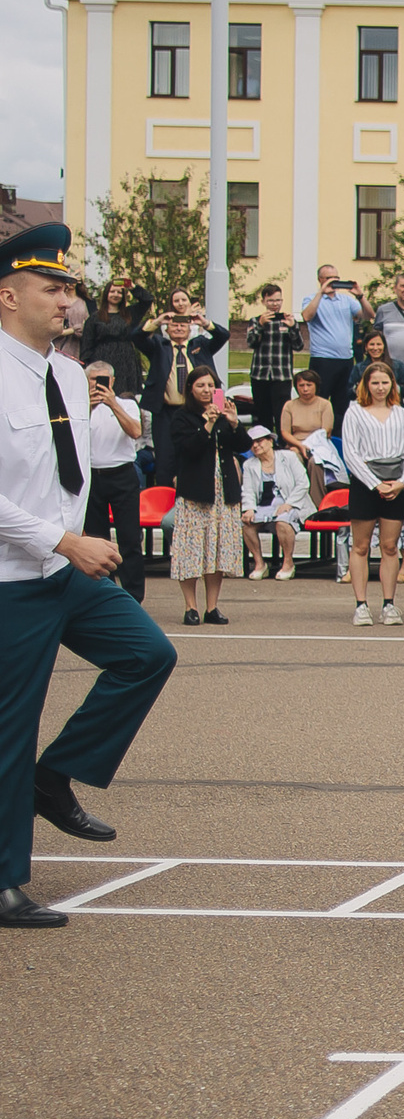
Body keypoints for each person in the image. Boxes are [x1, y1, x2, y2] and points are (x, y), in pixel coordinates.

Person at [0, 225, 178, 928]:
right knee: (11, 730)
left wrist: (72, 540)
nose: (67, 300)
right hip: (13, 580)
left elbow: (73, 469)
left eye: (71, 288)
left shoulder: (72, 374)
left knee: (147, 654)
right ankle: (6, 881)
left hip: (63, 566)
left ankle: (55, 773)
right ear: (8, 295)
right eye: (53, 287)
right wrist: (64, 539)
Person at [167, 367, 247, 624]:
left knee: (218, 552)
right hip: (195, 494)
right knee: (191, 552)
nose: (207, 390)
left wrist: (235, 424)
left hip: (223, 493)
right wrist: (208, 423)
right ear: (190, 388)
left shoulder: (225, 414)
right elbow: (188, 449)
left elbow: (244, 446)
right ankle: (190, 607)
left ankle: (212, 607)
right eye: (201, 385)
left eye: (211, 385)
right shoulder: (182, 417)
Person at [339, 362, 404, 626]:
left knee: (390, 546)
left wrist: (401, 483)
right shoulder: (355, 412)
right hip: (365, 483)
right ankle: (361, 605)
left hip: (396, 484)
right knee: (360, 546)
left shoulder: (400, 413)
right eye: (375, 383)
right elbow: (350, 453)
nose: (380, 388)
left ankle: (389, 604)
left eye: (385, 382)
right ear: (365, 385)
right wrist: (375, 484)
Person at [142, 300, 229, 487]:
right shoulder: (158, 345)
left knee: (198, 452)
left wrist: (204, 322)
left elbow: (223, 335)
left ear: (190, 327)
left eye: (183, 324)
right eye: (174, 324)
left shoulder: (200, 345)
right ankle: (165, 502)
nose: (179, 327)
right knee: (165, 459)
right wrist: (158, 320)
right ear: (167, 328)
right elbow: (136, 337)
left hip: (197, 410)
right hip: (165, 412)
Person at [81, 361, 147, 600]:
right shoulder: (79, 406)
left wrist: (112, 403)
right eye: (94, 380)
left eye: (104, 380)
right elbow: (73, 438)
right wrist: (87, 408)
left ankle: (133, 595)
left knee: (129, 538)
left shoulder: (127, 404)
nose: (98, 385)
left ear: (113, 382)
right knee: (98, 540)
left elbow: (135, 431)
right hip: (92, 476)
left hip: (122, 475)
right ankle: (104, 593)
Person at [239, 425, 314, 579]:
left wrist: (289, 504)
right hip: (266, 507)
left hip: (294, 504)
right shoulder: (249, 465)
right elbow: (247, 491)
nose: (255, 445)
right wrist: (249, 508)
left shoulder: (289, 457)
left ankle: (288, 563)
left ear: (271, 442)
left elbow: (303, 483)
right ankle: (260, 563)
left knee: (283, 520)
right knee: (246, 522)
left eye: (259, 441)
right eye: (252, 443)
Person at [301, 265, 365, 419]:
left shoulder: (346, 300)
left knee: (342, 403)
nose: (333, 282)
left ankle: (338, 436)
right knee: (319, 401)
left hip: (345, 359)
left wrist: (360, 296)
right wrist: (321, 293)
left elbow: (368, 315)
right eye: (328, 278)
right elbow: (307, 316)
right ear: (320, 280)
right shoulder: (311, 299)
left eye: (336, 278)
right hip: (323, 358)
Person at [241, 283, 301, 435]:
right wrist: (261, 325)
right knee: (262, 413)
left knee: (281, 414)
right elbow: (251, 342)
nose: (275, 304)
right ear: (263, 302)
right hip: (260, 374)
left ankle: (282, 443)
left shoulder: (288, 321)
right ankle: (264, 441)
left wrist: (293, 327)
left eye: (278, 300)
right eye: (271, 301)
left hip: (281, 374)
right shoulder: (256, 321)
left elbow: (299, 345)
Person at [80, 277, 155, 397]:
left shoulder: (130, 314)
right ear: (106, 294)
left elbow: (148, 300)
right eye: (112, 291)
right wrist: (88, 367)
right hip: (102, 358)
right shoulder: (95, 318)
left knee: (126, 395)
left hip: (126, 360)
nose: (116, 294)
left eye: (119, 292)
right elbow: (87, 345)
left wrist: (132, 287)